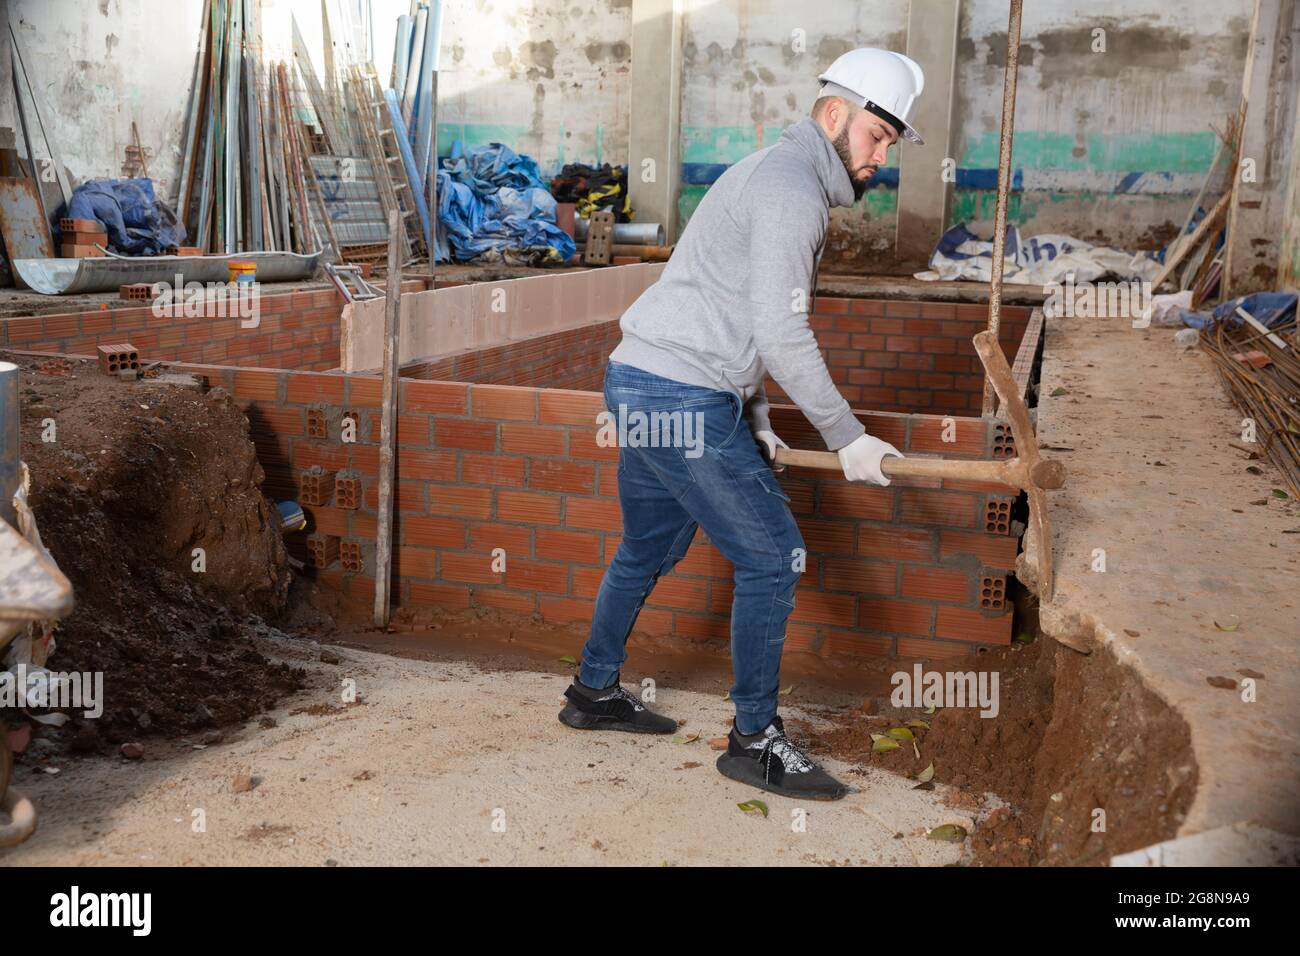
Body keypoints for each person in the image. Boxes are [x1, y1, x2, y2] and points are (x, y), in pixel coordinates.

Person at [558, 48, 927, 801]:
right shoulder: (793, 191)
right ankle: (754, 741)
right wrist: (847, 436)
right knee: (774, 557)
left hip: (640, 381)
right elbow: (783, 336)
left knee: (645, 547)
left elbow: (741, 316)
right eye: (877, 136)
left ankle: (593, 692)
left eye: (889, 143)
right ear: (835, 115)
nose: (880, 157)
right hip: (680, 399)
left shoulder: (766, 172)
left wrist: (752, 415)